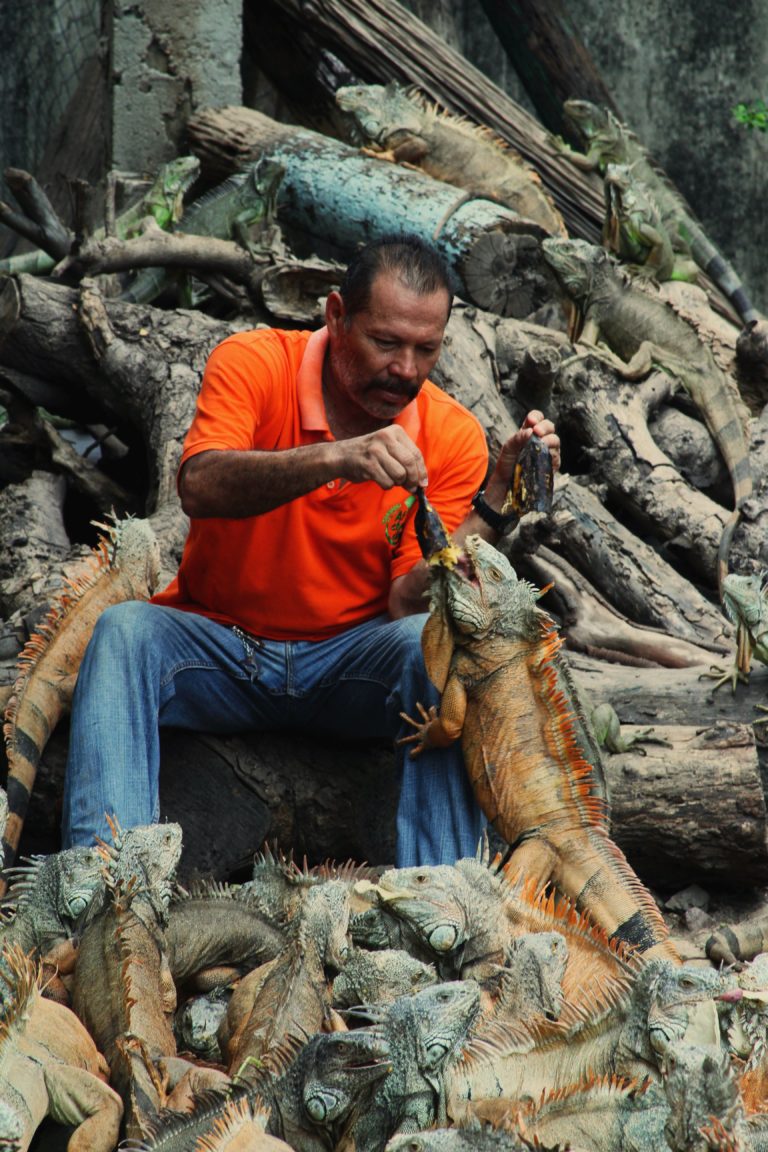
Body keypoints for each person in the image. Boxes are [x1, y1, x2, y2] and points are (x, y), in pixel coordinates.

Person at [61, 233, 560, 867]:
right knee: (125, 631)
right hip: (219, 646)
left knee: (436, 646)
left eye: (425, 349)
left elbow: (409, 602)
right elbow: (200, 484)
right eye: (386, 342)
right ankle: (103, 893)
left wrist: (496, 500)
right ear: (335, 316)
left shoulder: (451, 435)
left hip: (348, 667)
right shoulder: (254, 363)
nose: (405, 368)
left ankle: (450, 904)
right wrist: (335, 458)